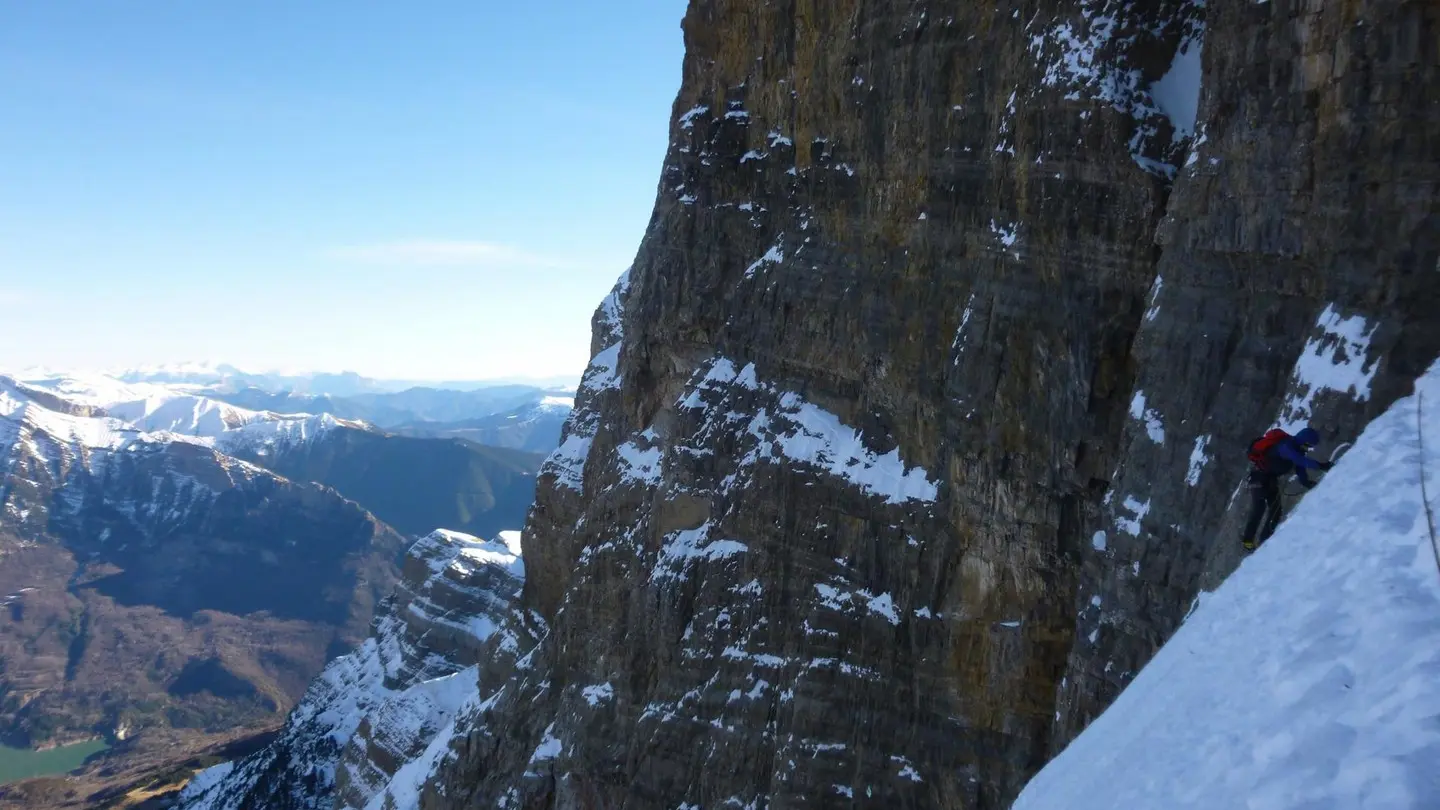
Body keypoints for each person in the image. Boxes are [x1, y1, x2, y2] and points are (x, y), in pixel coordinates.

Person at [1241, 426, 1333, 551]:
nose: (1308, 448)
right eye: (1308, 445)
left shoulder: (1296, 450)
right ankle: (1247, 541)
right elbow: (1300, 461)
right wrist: (1321, 466)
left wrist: (1306, 482)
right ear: (1303, 441)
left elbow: (1300, 466)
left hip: (1270, 480)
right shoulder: (1285, 446)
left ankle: (1264, 541)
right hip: (1258, 479)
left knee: (1276, 510)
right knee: (1259, 508)